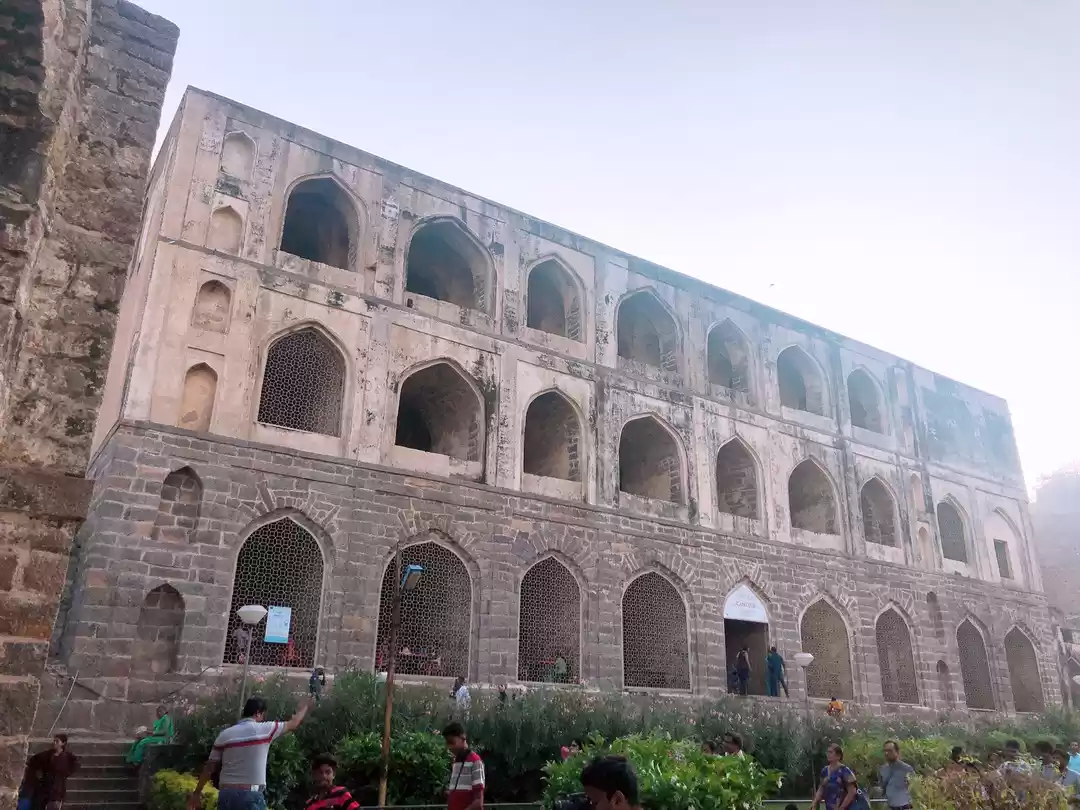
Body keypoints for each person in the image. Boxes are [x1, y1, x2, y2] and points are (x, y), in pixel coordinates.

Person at [186, 695, 311, 810]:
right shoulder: (264, 729)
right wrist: (305, 706)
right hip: (249, 796)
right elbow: (293, 723)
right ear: (257, 713)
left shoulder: (224, 735)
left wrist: (197, 793)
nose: (263, 719)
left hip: (226, 795)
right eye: (263, 715)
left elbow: (210, 767)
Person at [23, 734, 79, 810]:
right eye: (54, 741)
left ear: (63, 743)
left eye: (57, 741)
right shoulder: (47, 755)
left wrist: (65, 774)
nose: (54, 743)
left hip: (58, 788)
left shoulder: (68, 757)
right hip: (45, 786)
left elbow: (75, 765)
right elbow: (33, 761)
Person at [811, 743, 867, 810]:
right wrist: (814, 802)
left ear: (838, 756)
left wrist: (842, 807)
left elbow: (852, 792)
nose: (828, 754)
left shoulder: (845, 771)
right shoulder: (824, 771)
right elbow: (821, 788)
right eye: (827, 752)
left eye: (831, 752)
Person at [444, 722, 484, 810]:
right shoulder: (455, 762)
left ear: (463, 737)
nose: (449, 747)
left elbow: (478, 802)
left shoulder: (475, 761)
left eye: (451, 742)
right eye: (447, 743)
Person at [879, 740, 915, 810]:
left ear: (897, 752)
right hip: (890, 806)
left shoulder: (907, 769)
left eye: (890, 751)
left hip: (905, 807)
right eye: (885, 751)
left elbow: (914, 788)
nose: (886, 753)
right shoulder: (882, 769)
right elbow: (882, 787)